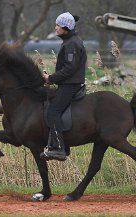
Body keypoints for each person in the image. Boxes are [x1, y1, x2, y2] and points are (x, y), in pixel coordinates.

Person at [40, 12, 87, 161]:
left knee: (52, 112)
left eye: (58, 25)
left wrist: (51, 78)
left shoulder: (72, 43)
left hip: (70, 85)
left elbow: (70, 69)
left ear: (66, 27)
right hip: (69, 83)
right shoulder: (70, 41)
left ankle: (59, 148)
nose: (55, 28)